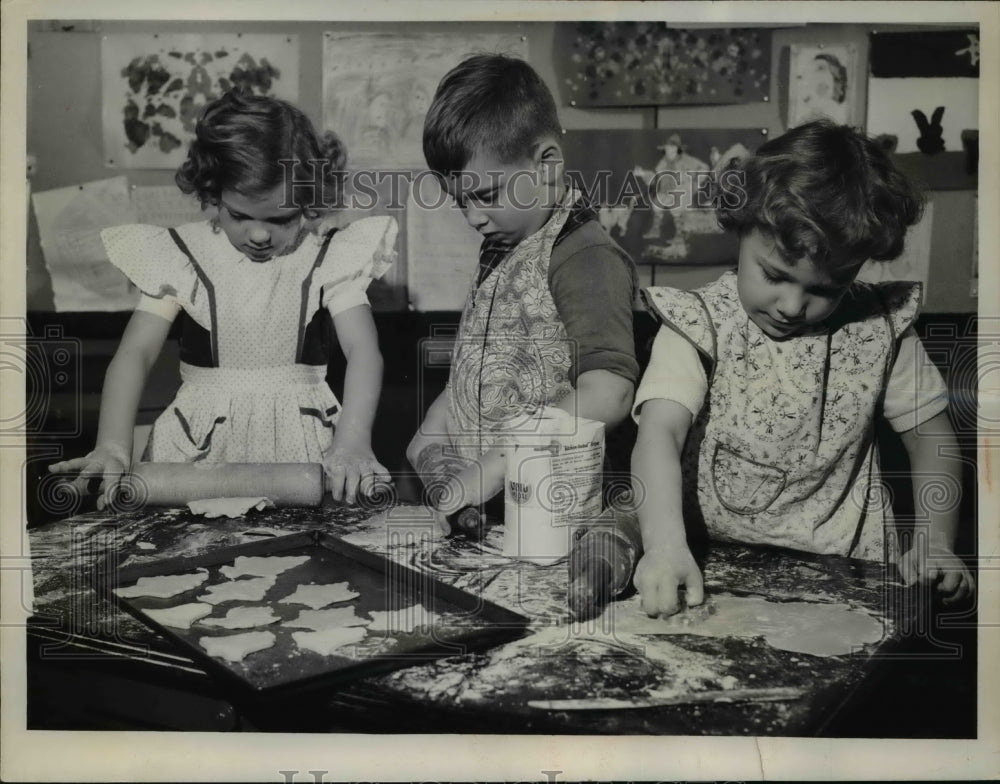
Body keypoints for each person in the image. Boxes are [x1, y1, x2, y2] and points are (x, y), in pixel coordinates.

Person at [631, 120, 974, 616]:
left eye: (826, 290)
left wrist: (935, 540)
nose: (792, 306)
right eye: (774, 275)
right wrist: (663, 546)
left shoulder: (882, 328)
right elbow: (659, 434)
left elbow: (932, 438)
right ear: (741, 226)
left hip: (851, 580)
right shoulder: (698, 325)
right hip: (712, 568)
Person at [49, 89, 397, 507]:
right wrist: (112, 446)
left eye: (280, 219)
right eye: (240, 215)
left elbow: (363, 350)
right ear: (213, 193)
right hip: (199, 448)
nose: (259, 235)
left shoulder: (327, 254)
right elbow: (136, 353)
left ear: (308, 200)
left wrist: (353, 442)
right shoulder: (183, 254)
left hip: (300, 448)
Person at [405, 54, 639, 533]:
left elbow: (609, 392)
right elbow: (487, 366)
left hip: (556, 518)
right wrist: (437, 422)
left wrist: (494, 466)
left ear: (546, 164)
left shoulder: (585, 258)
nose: (473, 218)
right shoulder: (506, 242)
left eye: (487, 195)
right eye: (459, 201)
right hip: (488, 511)